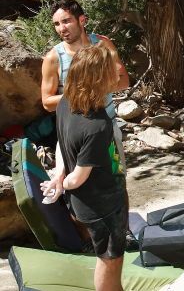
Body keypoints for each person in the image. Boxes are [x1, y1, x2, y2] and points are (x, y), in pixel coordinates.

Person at [40, 43, 128, 291]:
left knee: (106, 254)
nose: (119, 71)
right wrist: (63, 183)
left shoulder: (66, 103)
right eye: (113, 68)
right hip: (101, 204)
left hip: (84, 202)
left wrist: (58, 175)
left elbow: (61, 143)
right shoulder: (98, 125)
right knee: (110, 259)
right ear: (100, 77)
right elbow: (78, 178)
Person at [40, 0, 129, 168]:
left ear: (82, 20)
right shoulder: (53, 58)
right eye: (57, 24)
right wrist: (82, 93)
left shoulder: (103, 44)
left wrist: (94, 89)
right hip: (73, 133)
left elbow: (123, 80)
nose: (61, 28)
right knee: (79, 188)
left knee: (116, 181)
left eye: (66, 21)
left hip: (107, 128)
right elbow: (47, 103)